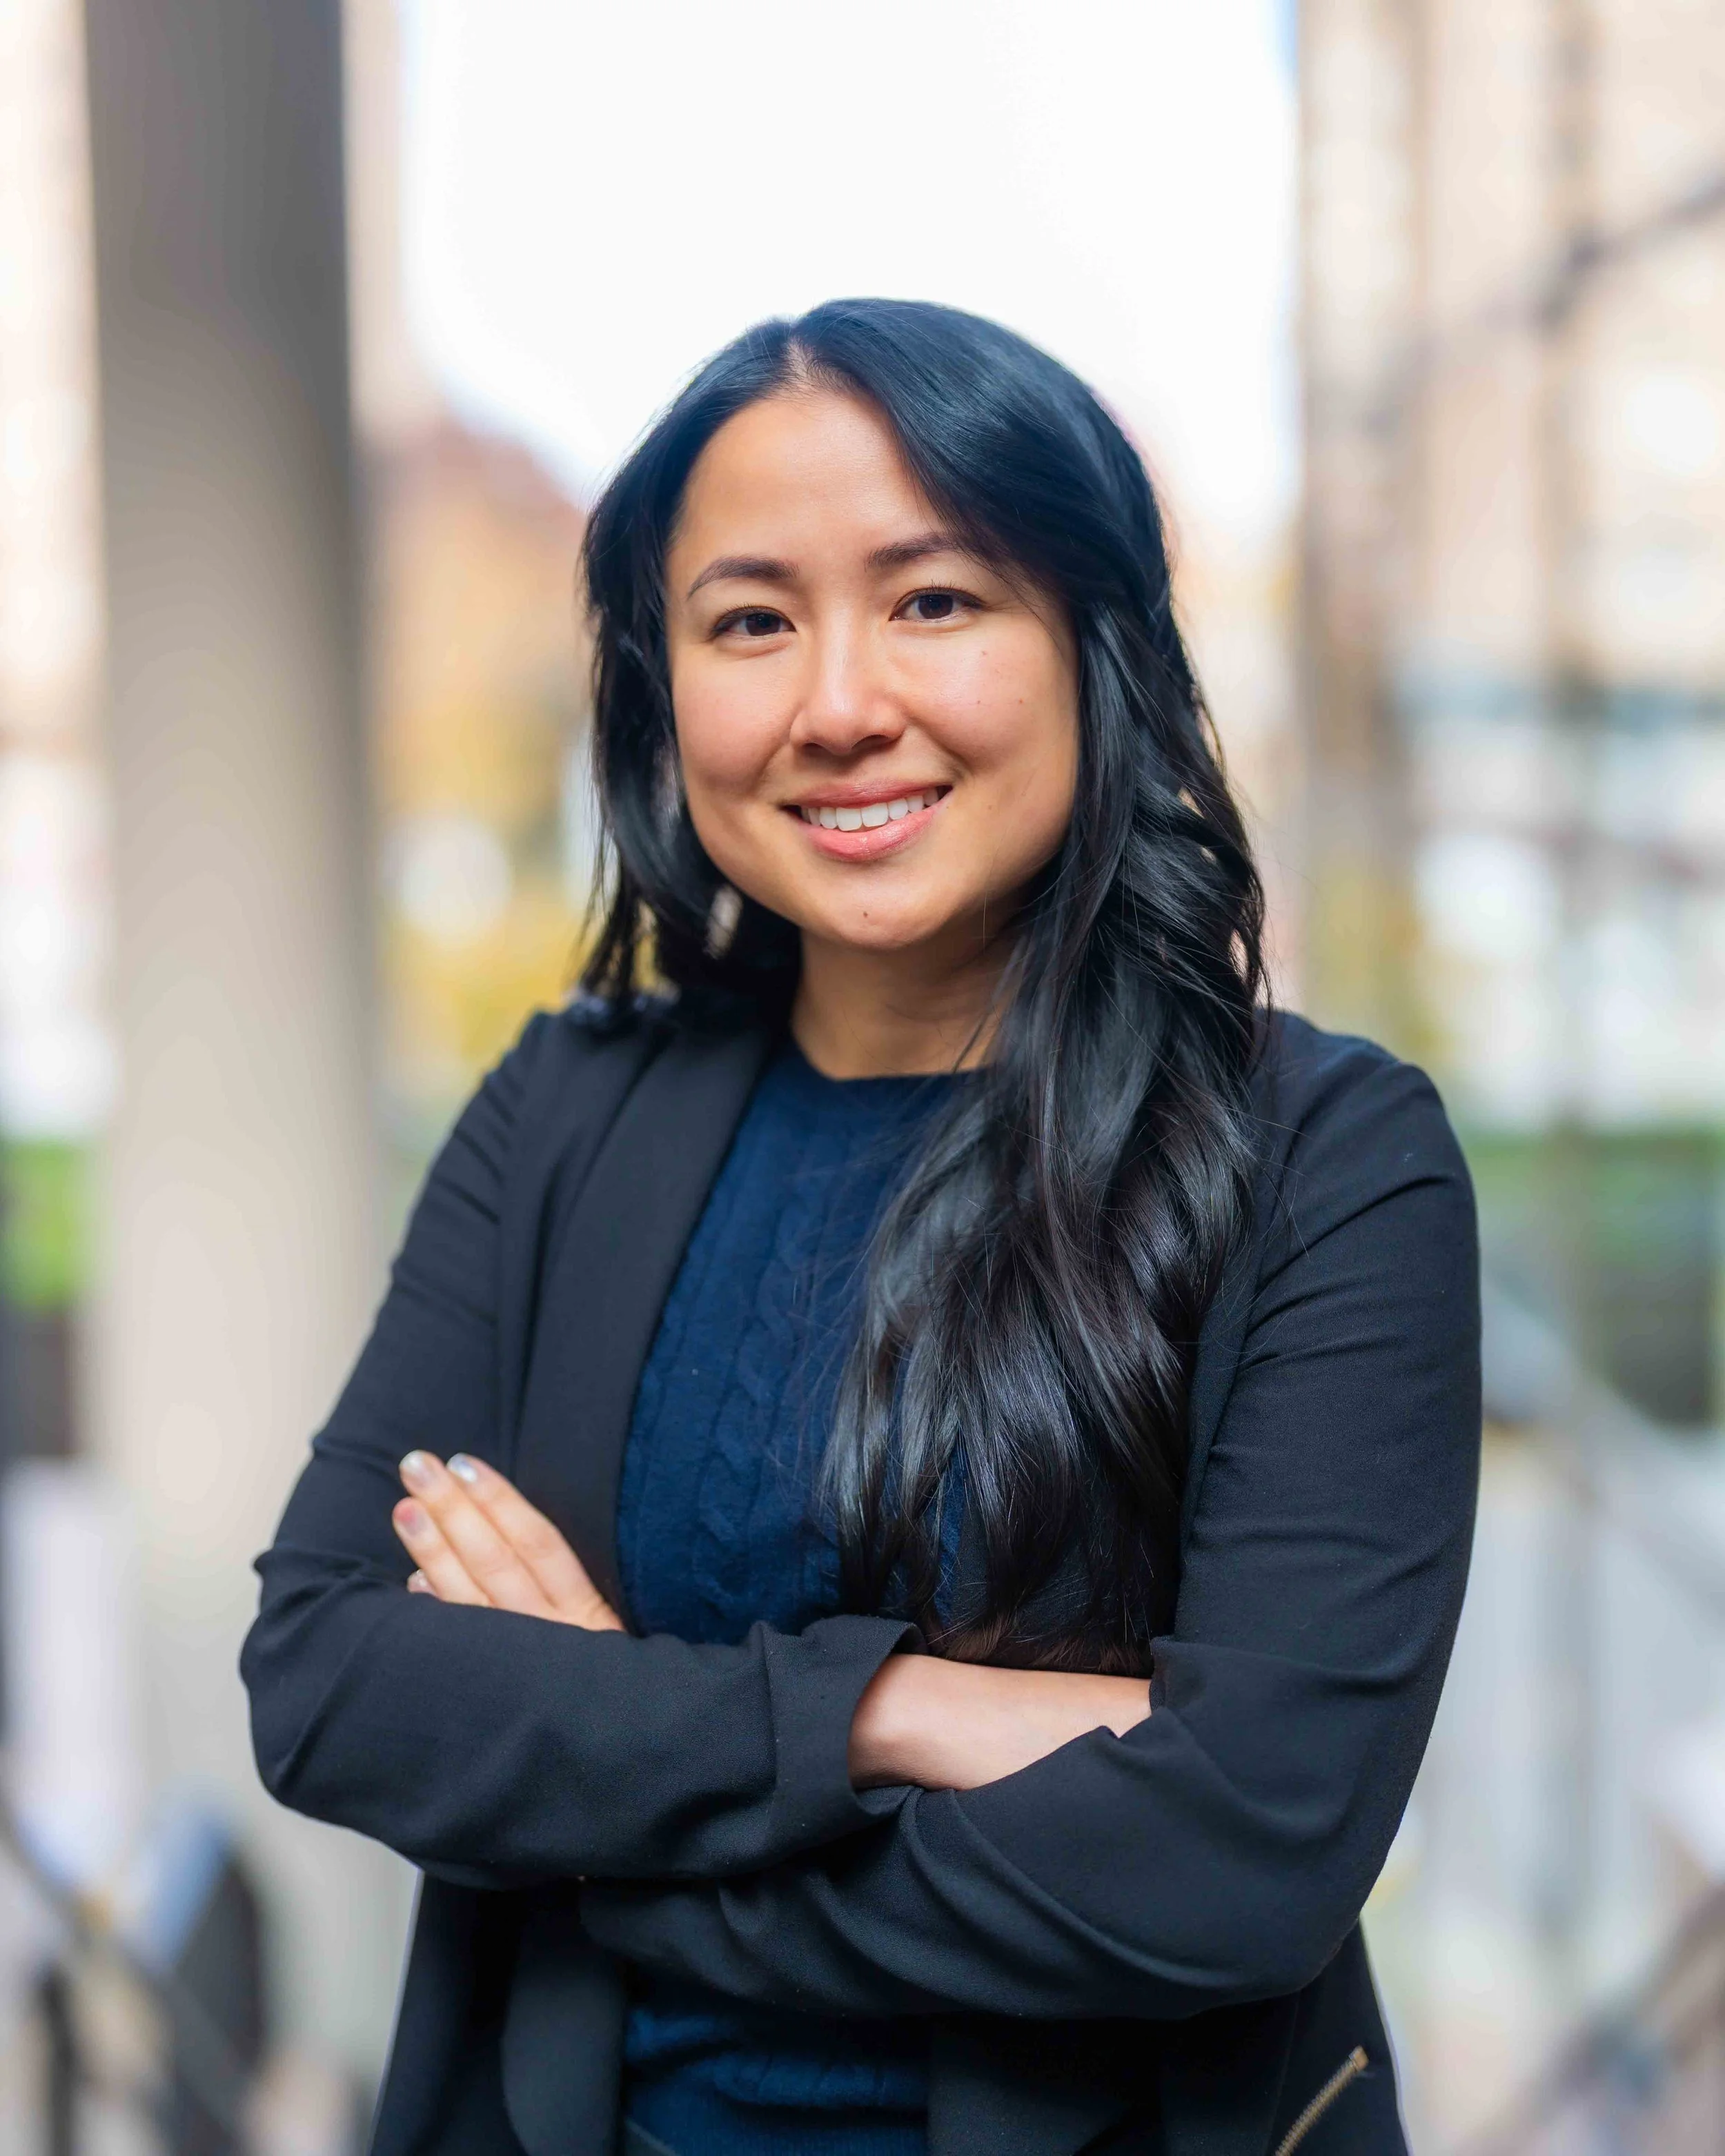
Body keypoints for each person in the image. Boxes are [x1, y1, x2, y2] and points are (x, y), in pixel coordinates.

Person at [241, 299, 1480, 2156]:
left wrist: (603, 1773)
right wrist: (893, 1710)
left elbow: (1245, 1852)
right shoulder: (567, 1110)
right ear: (662, 696)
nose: (837, 703)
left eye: (933, 599)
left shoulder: (1329, 1158)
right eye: (750, 619)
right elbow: (331, 1678)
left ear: (1093, 642)